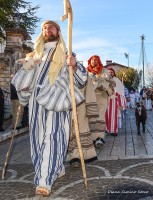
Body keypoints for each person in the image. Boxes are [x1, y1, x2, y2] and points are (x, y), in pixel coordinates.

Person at [11, 20, 87, 197]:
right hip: (36, 102)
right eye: (44, 27)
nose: (47, 29)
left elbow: (81, 79)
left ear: (59, 32)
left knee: (54, 137)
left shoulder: (67, 54)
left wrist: (74, 65)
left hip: (57, 100)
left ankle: (44, 180)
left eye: (51, 26)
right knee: (37, 140)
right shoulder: (34, 54)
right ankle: (57, 167)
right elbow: (22, 79)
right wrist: (28, 67)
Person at [67, 76, 98, 167]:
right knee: (70, 131)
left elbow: (89, 91)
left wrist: (90, 107)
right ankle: (72, 153)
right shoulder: (62, 71)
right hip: (66, 106)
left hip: (81, 105)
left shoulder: (82, 74)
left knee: (82, 129)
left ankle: (78, 156)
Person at [106, 68, 125, 136]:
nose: (110, 73)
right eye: (109, 72)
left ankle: (113, 130)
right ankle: (107, 129)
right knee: (105, 115)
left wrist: (117, 96)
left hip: (114, 100)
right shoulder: (104, 80)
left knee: (113, 116)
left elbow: (121, 90)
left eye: (111, 72)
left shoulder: (117, 80)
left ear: (114, 73)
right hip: (105, 99)